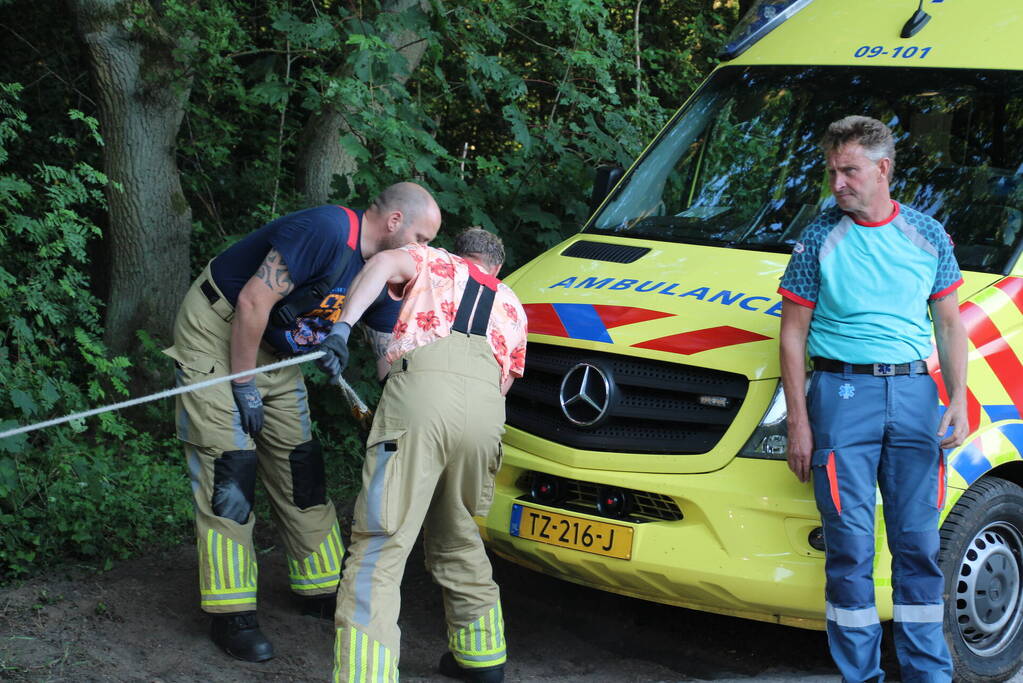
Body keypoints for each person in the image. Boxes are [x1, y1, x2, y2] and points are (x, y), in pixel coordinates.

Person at [164, 182, 442, 663]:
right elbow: (253, 302)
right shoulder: (328, 230)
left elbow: (388, 354)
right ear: (394, 222)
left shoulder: (384, 274)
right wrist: (245, 385)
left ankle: (317, 587)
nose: (426, 250)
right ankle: (231, 613)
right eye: (422, 237)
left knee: (301, 466)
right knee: (230, 469)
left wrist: (411, 413)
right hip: (219, 331)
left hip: (277, 353)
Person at [778, 115, 967, 682]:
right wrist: (799, 423)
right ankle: (860, 677)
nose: (837, 183)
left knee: (919, 546)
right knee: (850, 551)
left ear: (883, 169)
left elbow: (950, 324)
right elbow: (791, 334)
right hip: (840, 395)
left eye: (849, 171)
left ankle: (929, 675)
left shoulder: (928, 235)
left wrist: (957, 397)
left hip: (914, 396)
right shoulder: (818, 238)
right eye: (832, 171)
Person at [316, 228, 527, 683]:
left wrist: (341, 328)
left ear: (456, 252)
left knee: (382, 540)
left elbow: (381, 266)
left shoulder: (432, 261)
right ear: (498, 267)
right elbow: (504, 382)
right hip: (485, 414)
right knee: (458, 533)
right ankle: (482, 659)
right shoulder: (512, 302)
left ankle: (364, 674)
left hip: (421, 403)